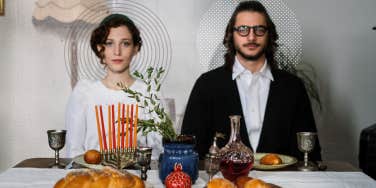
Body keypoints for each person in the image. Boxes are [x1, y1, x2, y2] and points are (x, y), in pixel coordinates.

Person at [181, 1, 321, 161]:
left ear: (269, 35)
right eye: (243, 29)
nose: (251, 36)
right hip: (225, 182)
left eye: (259, 30)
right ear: (231, 35)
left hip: (283, 182)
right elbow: (188, 150)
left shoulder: (293, 87)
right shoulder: (206, 85)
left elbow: (311, 154)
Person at [65, 14, 163, 159]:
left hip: (137, 177)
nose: (117, 52)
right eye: (109, 43)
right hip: (94, 177)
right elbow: (74, 151)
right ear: (100, 48)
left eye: (125, 43)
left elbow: (157, 152)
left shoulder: (149, 95)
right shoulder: (84, 93)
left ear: (136, 48)